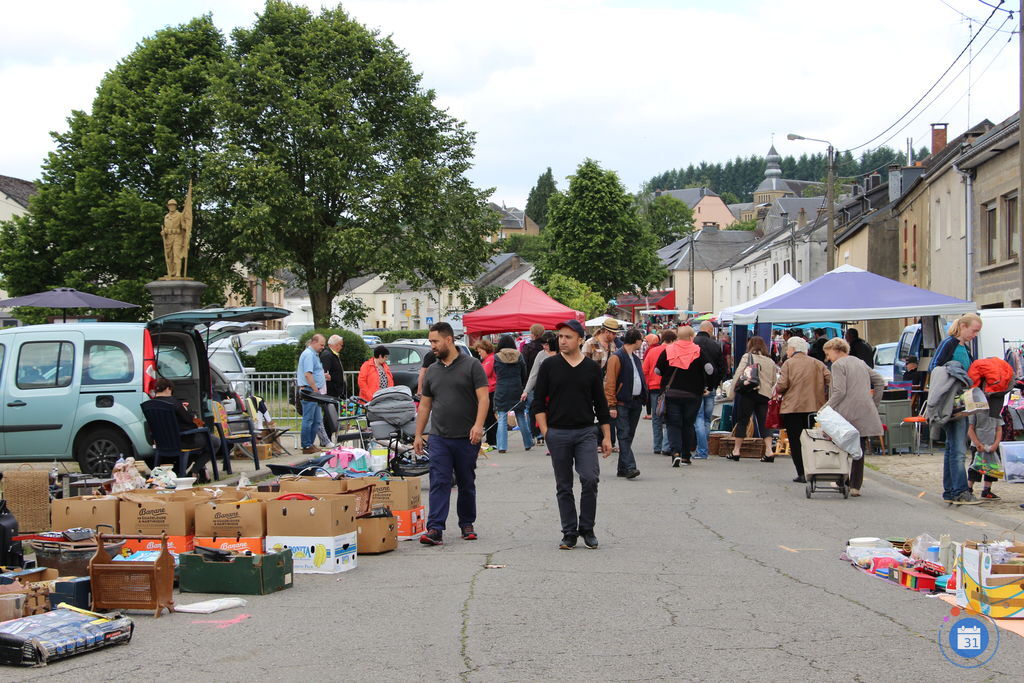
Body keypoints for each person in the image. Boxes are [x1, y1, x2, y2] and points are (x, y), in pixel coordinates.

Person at [534, 319, 612, 550]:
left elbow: (601, 405)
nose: (562, 340)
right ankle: (569, 532)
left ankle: (587, 528)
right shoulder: (549, 365)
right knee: (564, 485)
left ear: (580, 340)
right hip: (557, 433)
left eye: (568, 337)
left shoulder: (591, 368)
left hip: (586, 432)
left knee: (590, 478)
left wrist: (607, 437)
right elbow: (538, 402)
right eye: (560, 336)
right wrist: (546, 432)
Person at [414, 322, 490, 546]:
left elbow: (483, 398)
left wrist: (478, 425)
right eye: (430, 341)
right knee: (439, 480)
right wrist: (419, 434)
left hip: (466, 437)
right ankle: (435, 528)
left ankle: (467, 523)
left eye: (435, 341)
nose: (432, 346)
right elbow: (425, 405)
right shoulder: (432, 370)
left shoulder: (472, 365)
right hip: (439, 437)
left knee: (466, 481)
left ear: (449, 340)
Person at [929, 313, 983, 504]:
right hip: (951, 403)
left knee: (952, 448)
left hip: (960, 402)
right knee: (958, 450)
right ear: (963, 326)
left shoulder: (963, 346)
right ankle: (960, 491)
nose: (975, 335)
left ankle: (951, 491)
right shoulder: (950, 343)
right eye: (974, 330)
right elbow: (935, 368)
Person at [823, 337, 885, 497]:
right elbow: (879, 381)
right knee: (859, 448)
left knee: (841, 445)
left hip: (845, 412)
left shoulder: (838, 365)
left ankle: (841, 481)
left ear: (836, 350)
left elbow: (839, 391)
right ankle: (855, 486)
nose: (828, 358)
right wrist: (874, 403)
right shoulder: (860, 362)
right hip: (864, 411)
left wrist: (825, 408)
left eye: (828, 354)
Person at [775, 337, 831, 483]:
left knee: (795, 441)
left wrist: (777, 388)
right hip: (814, 408)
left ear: (793, 349)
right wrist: (824, 395)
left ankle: (801, 472)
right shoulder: (817, 363)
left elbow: (782, 385)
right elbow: (831, 380)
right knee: (812, 440)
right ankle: (813, 469)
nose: (787, 351)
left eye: (788, 349)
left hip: (793, 408)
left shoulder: (788, 364)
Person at [656, 325, 713, 468]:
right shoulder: (698, 351)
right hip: (693, 394)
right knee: (688, 424)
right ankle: (686, 456)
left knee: (673, 424)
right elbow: (710, 370)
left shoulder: (668, 350)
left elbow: (657, 370)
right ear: (691, 337)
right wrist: (708, 385)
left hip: (672, 393)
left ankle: (675, 453)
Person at [150, 377, 220, 483]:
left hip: (161, 443)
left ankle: (190, 471)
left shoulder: (149, 405)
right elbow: (188, 420)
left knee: (201, 443)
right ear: (168, 388)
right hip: (182, 441)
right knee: (214, 441)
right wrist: (198, 427)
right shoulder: (174, 403)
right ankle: (195, 471)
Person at [604, 328, 648, 479]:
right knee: (623, 434)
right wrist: (611, 405)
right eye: (641, 339)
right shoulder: (617, 357)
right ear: (636, 340)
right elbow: (610, 382)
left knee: (629, 435)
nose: (642, 342)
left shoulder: (634, 358)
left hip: (635, 401)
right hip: (622, 402)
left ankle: (622, 468)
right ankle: (630, 467)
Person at [727, 336, 779, 462]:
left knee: (742, 421)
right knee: (764, 423)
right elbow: (774, 381)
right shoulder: (770, 361)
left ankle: (736, 451)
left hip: (749, 392)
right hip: (765, 395)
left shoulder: (747, 356)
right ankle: (769, 451)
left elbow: (738, 373)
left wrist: (731, 392)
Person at [493, 334, 534, 453]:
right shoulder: (519, 355)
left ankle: (502, 446)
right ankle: (528, 442)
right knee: (520, 415)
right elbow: (524, 373)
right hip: (516, 388)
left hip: (502, 388)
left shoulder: (497, 357)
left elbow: (496, 372)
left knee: (502, 417)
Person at [693, 321, 727, 459]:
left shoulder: (693, 343)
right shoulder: (715, 345)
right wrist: (714, 384)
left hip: (696, 387)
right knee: (707, 419)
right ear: (709, 330)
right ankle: (703, 448)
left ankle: (701, 450)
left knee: (698, 418)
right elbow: (722, 368)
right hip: (710, 387)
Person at [643, 329, 675, 454]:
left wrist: (648, 383)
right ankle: (666, 446)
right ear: (673, 340)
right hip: (670, 387)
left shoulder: (652, 351)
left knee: (656, 417)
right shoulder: (674, 351)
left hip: (654, 387)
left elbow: (644, 369)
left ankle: (657, 446)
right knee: (669, 417)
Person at [296, 334, 327, 454]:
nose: (323, 347)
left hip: (312, 390)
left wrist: (322, 376)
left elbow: (314, 372)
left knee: (317, 420)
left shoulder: (313, 354)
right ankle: (306, 445)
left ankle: (310, 444)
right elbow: (308, 374)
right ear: (314, 342)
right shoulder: (309, 355)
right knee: (308, 419)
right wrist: (315, 390)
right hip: (309, 391)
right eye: (321, 345)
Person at [967, 408, 1003, 499]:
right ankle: (969, 488)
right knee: (976, 466)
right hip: (977, 446)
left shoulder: (996, 411)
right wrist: (977, 443)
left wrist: (996, 444)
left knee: (992, 466)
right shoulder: (975, 411)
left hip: (992, 445)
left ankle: (987, 490)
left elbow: (999, 429)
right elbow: (970, 429)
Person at [474, 339, 498, 445]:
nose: (479, 354)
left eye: (480, 351)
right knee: (488, 416)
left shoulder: (490, 359)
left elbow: (484, 374)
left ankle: (492, 440)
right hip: (489, 390)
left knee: (489, 417)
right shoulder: (487, 359)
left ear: (485, 349)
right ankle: (491, 438)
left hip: (491, 390)